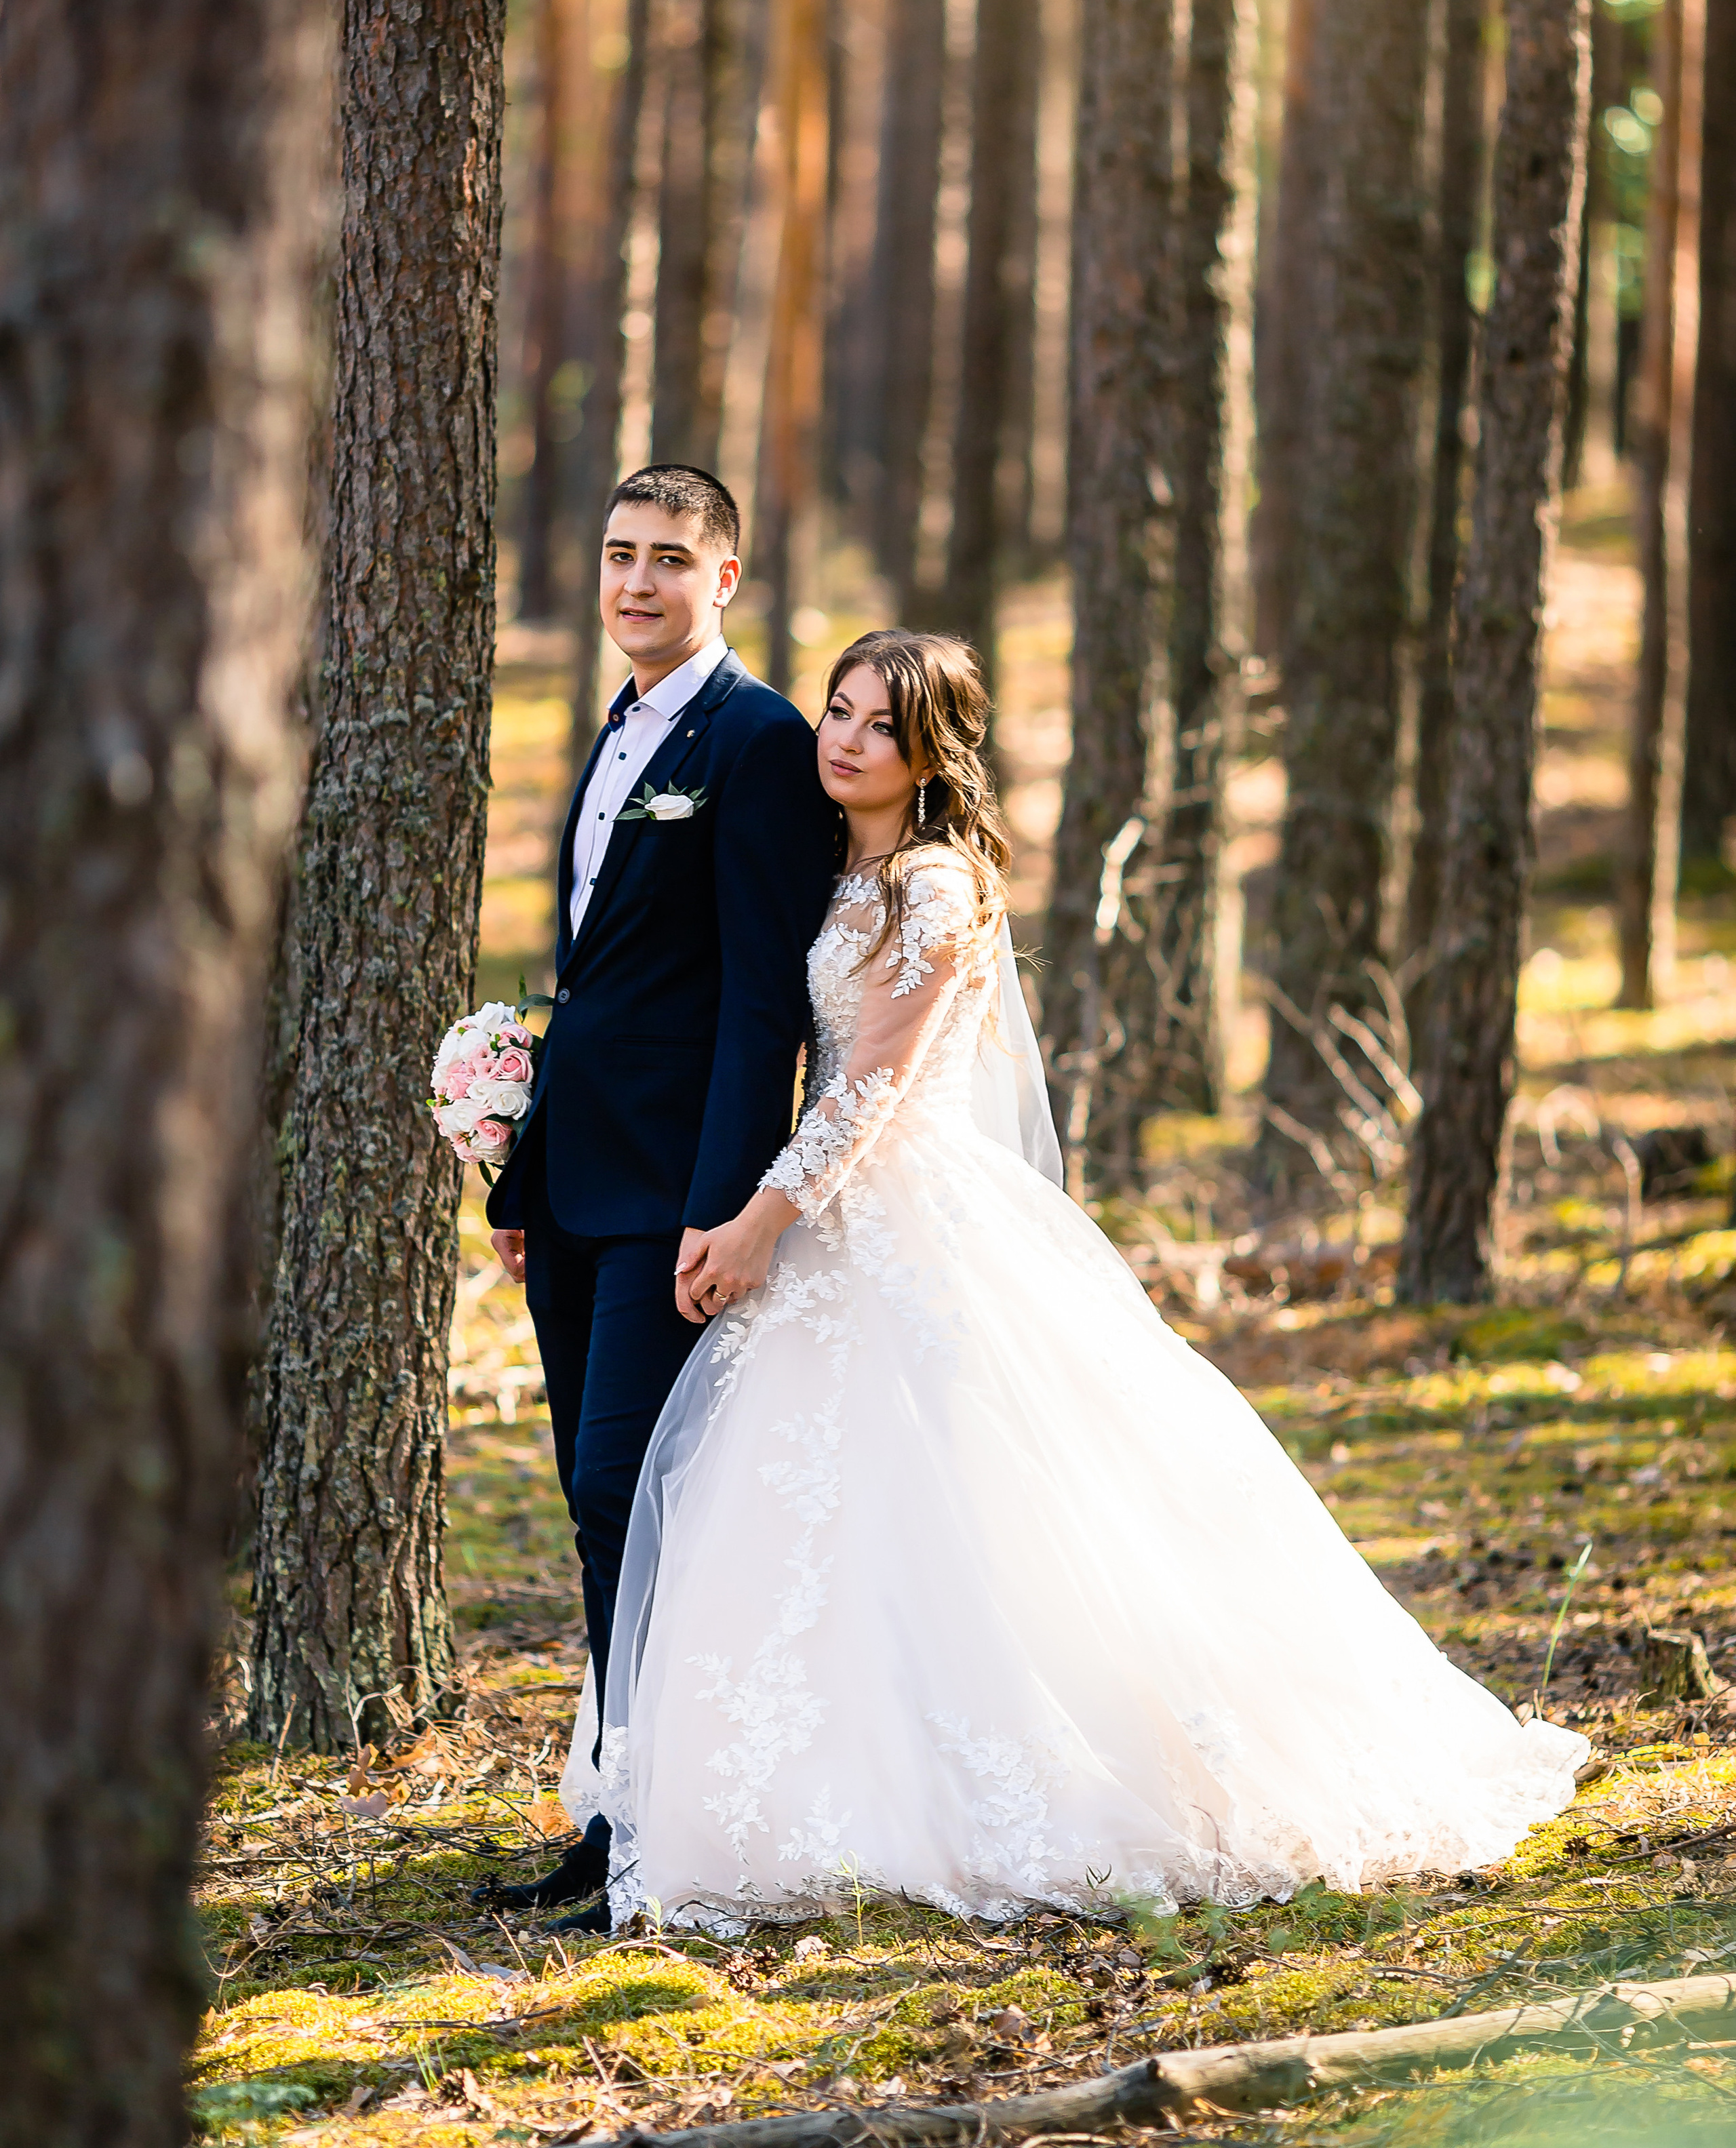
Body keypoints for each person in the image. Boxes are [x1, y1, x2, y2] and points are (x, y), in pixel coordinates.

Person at [556, 627, 1586, 1930]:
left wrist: (759, 1217)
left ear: (931, 754)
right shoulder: (830, 867)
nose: (847, 739)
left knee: (979, 1491)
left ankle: (1032, 1780)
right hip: (819, 1225)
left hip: (902, 1215)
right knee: (804, 1507)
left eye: (881, 725)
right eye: (838, 710)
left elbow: (870, 1089)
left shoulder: (937, 887)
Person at [478, 464, 837, 1923]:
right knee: (594, 1509)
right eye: (621, 553)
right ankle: (614, 1809)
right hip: (576, 1183)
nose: (638, 581)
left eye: (670, 559)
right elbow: (595, 981)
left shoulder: (758, 742)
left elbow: (763, 1001)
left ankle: (668, 1827)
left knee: (628, 1489)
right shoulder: (619, 725)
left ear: (723, 579)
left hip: (673, 1200)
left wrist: (727, 1205)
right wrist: (521, 1168)